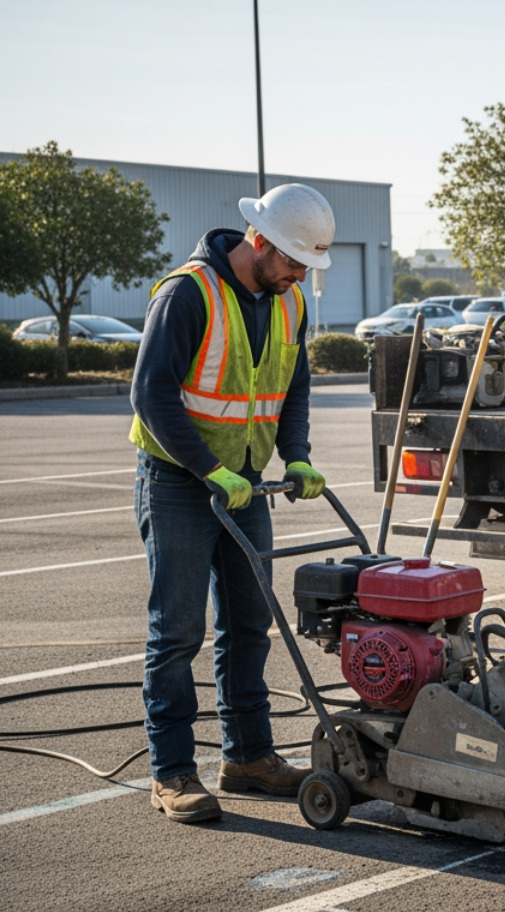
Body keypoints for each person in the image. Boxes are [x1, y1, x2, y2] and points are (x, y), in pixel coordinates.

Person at [129, 183, 335, 823]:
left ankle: (248, 757)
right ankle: (172, 773)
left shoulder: (289, 299)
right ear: (260, 241)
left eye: (306, 265)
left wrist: (295, 454)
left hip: (244, 483)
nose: (301, 274)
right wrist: (208, 468)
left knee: (248, 624)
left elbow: (293, 385)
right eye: (295, 261)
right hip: (178, 483)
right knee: (177, 633)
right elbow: (151, 396)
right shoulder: (188, 293)